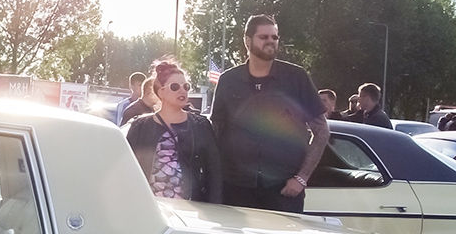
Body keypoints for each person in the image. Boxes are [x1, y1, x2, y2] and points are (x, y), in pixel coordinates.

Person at [210, 14, 328, 212]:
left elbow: (322, 131)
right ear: (248, 41)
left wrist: (302, 178)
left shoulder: (296, 78)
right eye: (264, 37)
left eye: (275, 37)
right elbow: (216, 131)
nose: (271, 41)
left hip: (283, 190)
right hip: (236, 189)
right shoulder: (228, 80)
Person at [125, 59, 222, 203]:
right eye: (175, 86)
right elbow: (127, 172)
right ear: (161, 92)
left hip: (189, 211)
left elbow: (214, 173)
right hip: (150, 208)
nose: (183, 90)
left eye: (186, 86)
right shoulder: (140, 126)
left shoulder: (201, 125)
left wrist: (213, 208)